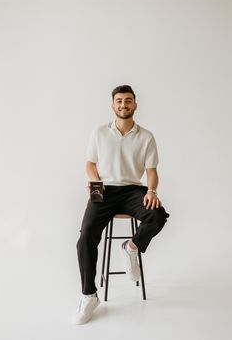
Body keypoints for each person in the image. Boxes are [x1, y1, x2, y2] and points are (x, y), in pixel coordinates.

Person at [74, 85, 170, 325]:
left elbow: (152, 172)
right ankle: (89, 295)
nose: (123, 105)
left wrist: (151, 191)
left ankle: (132, 247)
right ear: (113, 105)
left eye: (128, 100)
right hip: (104, 190)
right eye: (119, 101)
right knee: (85, 237)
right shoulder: (99, 132)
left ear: (135, 104)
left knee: (157, 216)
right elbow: (90, 164)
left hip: (132, 190)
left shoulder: (146, 136)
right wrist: (95, 182)